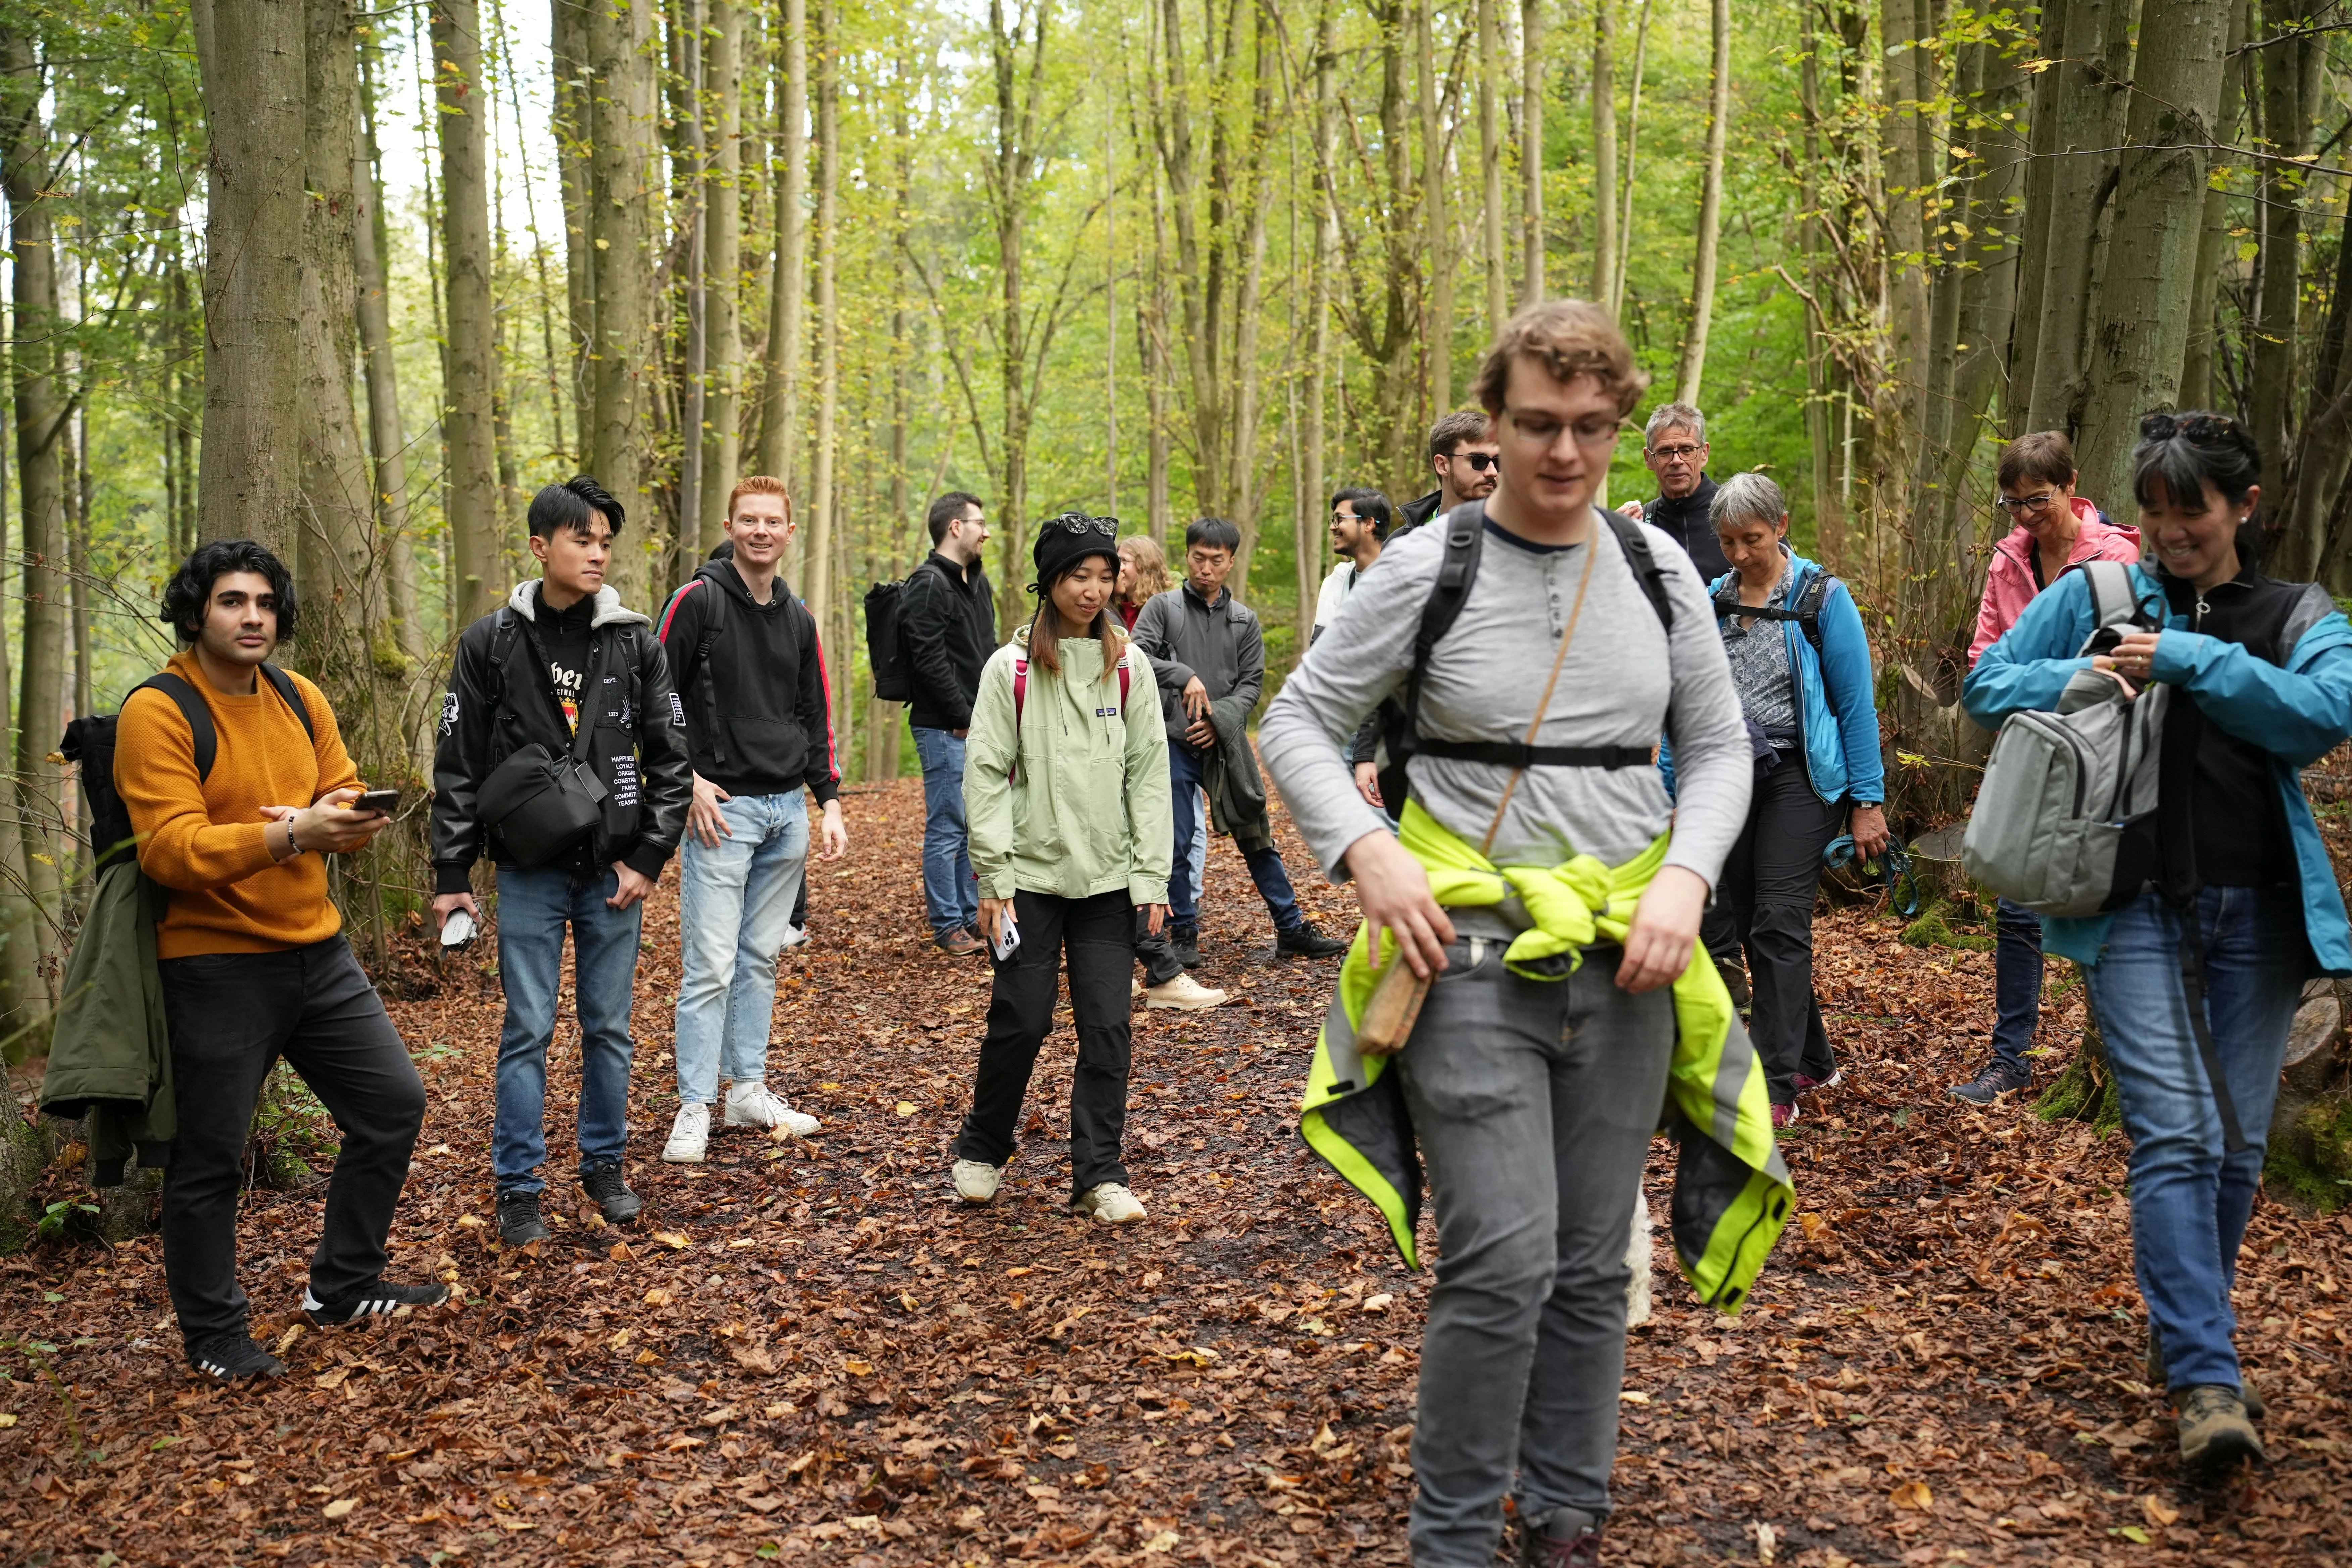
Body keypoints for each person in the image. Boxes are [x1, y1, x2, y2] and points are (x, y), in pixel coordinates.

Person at [1260, 299, 1758, 1567]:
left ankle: (1565, 1515)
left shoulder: (1657, 574)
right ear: (1492, 423)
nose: (1565, 453)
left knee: (1595, 1259)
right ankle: (1450, 1541)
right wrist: (1368, 852)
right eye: (1538, 424)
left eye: (1593, 426)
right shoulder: (1429, 569)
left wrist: (1689, 877)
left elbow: (1716, 747)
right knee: (1504, 1252)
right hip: (1463, 954)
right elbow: (1299, 721)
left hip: (1631, 956)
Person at [1964, 412, 2352, 1478]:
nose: (2173, 531)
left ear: (2241, 510)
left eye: (2194, 509)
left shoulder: (2293, 612)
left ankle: (2187, 1328)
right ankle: (2205, 1380)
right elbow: (1984, 684)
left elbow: (2325, 712)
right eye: (2156, 510)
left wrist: (2187, 658)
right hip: (2129, 906)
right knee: (2175, 1137)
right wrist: (2090, 679)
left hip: (2261, 918)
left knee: (2233, 1150)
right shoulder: (2095, 597)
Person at [116, 541, 439, 1381]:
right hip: (215, 963)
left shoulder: (300, 696)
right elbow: (169, 849)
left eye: (263, 602)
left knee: (393, 1104)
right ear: (197, 614)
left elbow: (341, 782)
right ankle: (214, 1336)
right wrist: (291, 832)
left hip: (318, 952)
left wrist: (342, 813)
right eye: (231, 601)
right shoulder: (157, 710)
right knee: (210, 1157)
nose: (251, 616)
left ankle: (344, 1284)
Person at [430, 476, 693, 1247]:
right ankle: (519, 1187)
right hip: (529, 871)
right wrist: (452, 875)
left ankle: (604, 1167)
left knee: (610, 1027)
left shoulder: (633, 641)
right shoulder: (491, 643)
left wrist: (648, 857)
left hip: (614, 872)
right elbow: (458, 763)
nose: (597, 553)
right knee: (528, 1028)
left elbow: (672, 758)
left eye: (606, 542)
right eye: (583, 539)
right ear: (541, 546)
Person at [950, 514, 1184, 1221]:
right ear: (1050, 583)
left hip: (1109, 880)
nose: (1092, 590)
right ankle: (984, 1148)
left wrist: (1152, 877)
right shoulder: (1011, 669)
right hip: (1029, 878)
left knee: (1109, 1026)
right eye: (1077, 576)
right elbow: (986, 774)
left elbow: (1149, 773)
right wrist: (993, 877)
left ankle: (1099, 1173)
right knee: (1021, 1019)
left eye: (1103, 575)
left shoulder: (1131, 664)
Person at [1669, 472, 1885, 1128]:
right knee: (1745, 920)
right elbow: (1685, 698)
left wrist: (1867, 799)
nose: (1738, 554)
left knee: (1779, 920)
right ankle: (1816, 1058)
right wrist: (1678, 785)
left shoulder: (1823, 599)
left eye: (1752, 540)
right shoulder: (1713, 601)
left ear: (1782, 526)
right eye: (1728, 541)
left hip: (1802, 773)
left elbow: (1855, 705)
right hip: (1729, 773)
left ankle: (1777, 1081)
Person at [654, 476, 845, 1164]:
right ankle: (694, 1105)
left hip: (785, 810)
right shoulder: (696, 602)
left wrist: (827, 800)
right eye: (749, 520)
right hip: (721, 811)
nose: (762, 530)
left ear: (790, 532)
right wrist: (687, 782)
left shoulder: (798, 619)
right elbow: (653, 695)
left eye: (774, 521)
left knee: (759, 958)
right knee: (709, 964)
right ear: (732, 526)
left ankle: (746, 1091)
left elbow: (813, 709)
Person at [1950, 431, 2141, 1105]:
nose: (2026, 515)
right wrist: (2064, 676)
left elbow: (2132, 666)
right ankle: (2012, 1059)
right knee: (2018, 900)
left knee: (2105, 899)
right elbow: (1984, 666)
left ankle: (2122, 1062)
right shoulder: (2009, 559)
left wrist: (2035, 676)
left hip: (2111, 757)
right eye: (2013, 504)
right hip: (2033, 749)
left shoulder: (2119, 556)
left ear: (2071, 485)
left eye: (2037, 499)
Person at [1132, 518, 1348, 968]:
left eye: (1216, 560)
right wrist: (1184, 676)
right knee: (1174, 841)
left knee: (1256, 833)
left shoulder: (1243, 621)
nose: (1205, 568)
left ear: (1231, 562)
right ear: (1186, 555)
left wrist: (1218, 721)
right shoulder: (1162, 609)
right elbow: (1137, 660)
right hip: (1170, 742)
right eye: (1198, 558)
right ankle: (1184, 931)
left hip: (1225, 743)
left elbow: (1251, 687)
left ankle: (1290, 929)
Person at [899, 490, 996, 956]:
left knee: (971, 825)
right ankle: (947, 924)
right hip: (944, 726)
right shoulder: (929, 584)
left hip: (977, 724)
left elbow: (988, 652)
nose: (987, 531)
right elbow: (927, 659)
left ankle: (967, 916)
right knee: (946, 827)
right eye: (979, 522)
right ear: (955, 527)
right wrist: (961, 717)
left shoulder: (975, 583)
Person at [1619, 402, 1730, 583]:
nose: (1677, 461)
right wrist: (1612, 544)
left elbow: (1785, 582)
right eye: (1665, 452)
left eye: (1687, 450)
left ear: (1704, 453)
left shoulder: (1740, 511)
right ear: (1648, 459)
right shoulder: (1640, 524)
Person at [1395, 410, 1501, 534]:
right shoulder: (1404, 543)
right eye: (1478, 461)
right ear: (1443, 465)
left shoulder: (1521, 537)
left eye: (1498, 462)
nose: (1492, 472)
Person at [1312, 488, 1393, 646]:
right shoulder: (1334, 583)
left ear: (1369, 524)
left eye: (1340, 519)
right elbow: (1319, 648)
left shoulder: (1403, 580)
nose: (1333, 527)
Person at [1115, 534, 1171, 630]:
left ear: (1145, 567)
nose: (1119, 567)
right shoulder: (1113, 608)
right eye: (1118, 561)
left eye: (1124, 561)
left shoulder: (1163, 611)